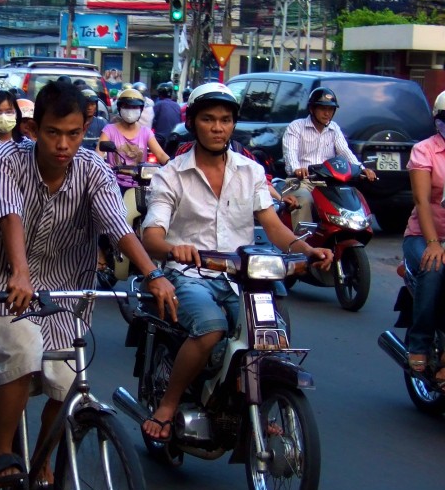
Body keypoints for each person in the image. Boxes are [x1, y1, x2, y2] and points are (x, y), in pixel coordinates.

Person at [0, 79, 177, 490]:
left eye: (74, 134)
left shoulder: (93, 170)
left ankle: (42, 461)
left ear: (85, 130)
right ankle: (2, 450)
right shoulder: (6, 161)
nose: (63, 144)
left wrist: (153, 274)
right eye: (53, 133)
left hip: (63, 294)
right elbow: (10, 217)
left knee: (66, 384)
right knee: (23, 351)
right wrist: (19, 272)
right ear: (33, 129)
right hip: (2, 285)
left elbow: (117, 225)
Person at [139, 83, 332, 440]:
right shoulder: (172, 174)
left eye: (225, 120)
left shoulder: (250, 171)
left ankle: (253, 403)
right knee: (211, 328)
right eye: (209, 119)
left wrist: (306, 251)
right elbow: (151, 236)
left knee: (271, 336)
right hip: (189, 274)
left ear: (232, 125)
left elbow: (272, 225)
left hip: (242, 276)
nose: (217, 128)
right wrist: (173, 249)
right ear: (193, 123)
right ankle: (168, 404)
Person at [282, 86, 376, 232]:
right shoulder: (296, 127)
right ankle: (302, 246)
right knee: (304, 200)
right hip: (302, 182)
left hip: (330, 183)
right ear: (312, 109)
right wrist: (297, 169)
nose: (327, 113)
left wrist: (362, 169)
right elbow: (290, 155)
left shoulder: (334, 128)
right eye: (322, 108)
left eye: (331, 109)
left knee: (355, 196)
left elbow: (345, 152)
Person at [402, 90, 445, 383]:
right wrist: (433, 243)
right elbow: (421, 199)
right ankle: (419, 341)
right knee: (434, 266)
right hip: (423, 235)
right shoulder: (424, 150)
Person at [96, 87, 169, 188]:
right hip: (113, 185)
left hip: (140, 185)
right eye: (126, 106)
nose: (130, 110)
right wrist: (102, 165)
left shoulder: (146, 132)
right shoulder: (109, 130)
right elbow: (97, 156)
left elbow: (161, 155)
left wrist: (173, 166)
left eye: (135, 107)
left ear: (141, 110)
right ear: (119, 108)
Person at [151, 82, 182, 149]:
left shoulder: (158, 104)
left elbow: (151, 121)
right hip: (175, 139)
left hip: (160, 139)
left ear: (160, 93)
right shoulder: (177, 105)